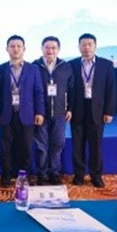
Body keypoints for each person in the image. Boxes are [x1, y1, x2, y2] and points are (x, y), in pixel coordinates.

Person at [0, 35, 45, 188]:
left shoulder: (33, 69)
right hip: (6, 115)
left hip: (27, 115)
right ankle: (5, 176)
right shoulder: (0, 69)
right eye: (12, 46)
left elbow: (38, 91)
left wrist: (40, 112)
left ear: (24, 49)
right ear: (7, 49)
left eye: (18, 46)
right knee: (5, 149)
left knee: (26, 149)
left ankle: (24, 177)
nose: (15, 49)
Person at [69, 33, 117, 188]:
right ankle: (79, 175)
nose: (87, 47)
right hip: (78, 108)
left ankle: (96, 176)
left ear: (95, 46)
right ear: (79, 47)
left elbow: (111, 89)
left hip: (97, 109)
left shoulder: (106, 65)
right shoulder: (71, 65)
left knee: (96, 145)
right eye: (83, 44)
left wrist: (109, 111)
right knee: (78, 145)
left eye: (90, 44)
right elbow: (68, 90)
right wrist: (68, 109)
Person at [32, 36, 74, 186]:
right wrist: (35, 111)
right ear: (42, 49)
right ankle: (41, 174)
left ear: (58, 49)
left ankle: (54, 173)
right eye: (47, 47)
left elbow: (72, 90)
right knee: (41, 146)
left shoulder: (65, 67)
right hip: (40, 114)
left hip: (59, 113)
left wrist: (70, 108)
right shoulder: (34, 66)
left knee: (58, 144)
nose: (50, 50)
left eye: (53, 48)